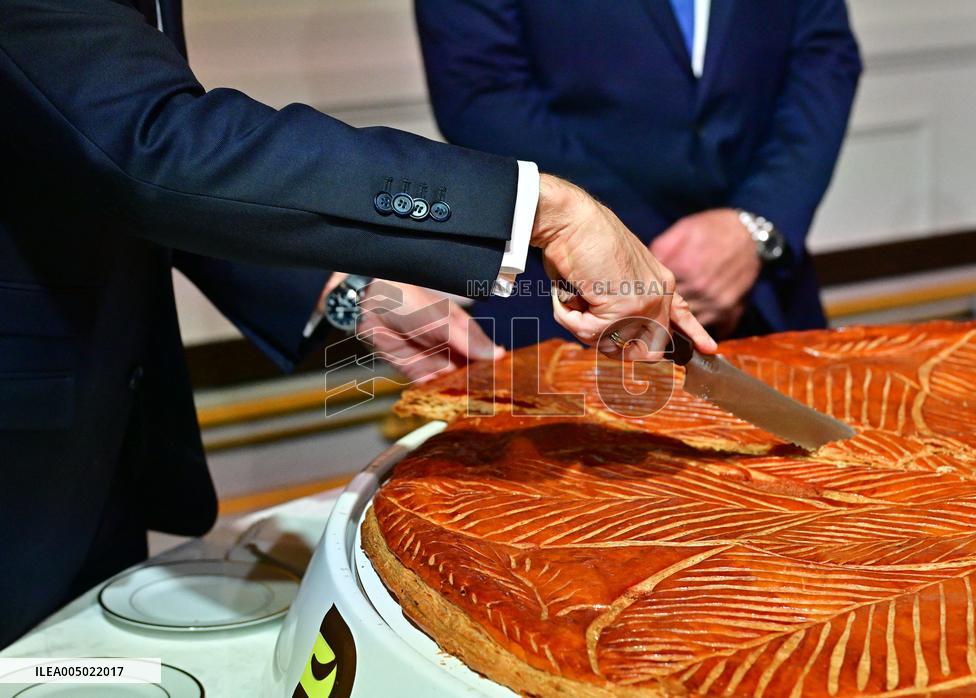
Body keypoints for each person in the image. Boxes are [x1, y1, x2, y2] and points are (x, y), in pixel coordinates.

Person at [0, 0, 715, 647]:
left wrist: (342, 288)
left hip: (84, 445)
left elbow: (76, 147)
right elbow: (148, 146)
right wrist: (545, 211)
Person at [416, 0, 862, 346]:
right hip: (565, 299)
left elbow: (825, 56)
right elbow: (480, 94)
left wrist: (757, 222)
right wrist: (624, 239)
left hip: (760, 288)